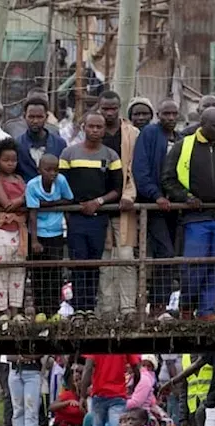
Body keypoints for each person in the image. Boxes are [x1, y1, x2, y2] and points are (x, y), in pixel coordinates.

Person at [161, 107, 215, 319]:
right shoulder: (182, 146)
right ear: (203, 125)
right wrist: (185, 197)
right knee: (193, 265)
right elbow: (168, 178)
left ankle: (207, 309)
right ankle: (187, 306)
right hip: (196, 217)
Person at [59, 112, 122, 316]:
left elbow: (117, 189)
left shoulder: (111, 156)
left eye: (99, 127)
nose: (95, 130)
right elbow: (62, 185)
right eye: (91, 126)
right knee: (78, 261)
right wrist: (74, 208)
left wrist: (99, 202)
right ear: (83, 127)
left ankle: (89, 307)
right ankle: (78, 308)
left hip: (98, 217)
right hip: (76, 217)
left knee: (94, 263)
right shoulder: (68, 154)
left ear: (104, 129)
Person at [134, 99, 182, 317]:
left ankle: (163, 303)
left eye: (174, 114)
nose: (170, 118)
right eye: (166, 114)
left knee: (171, 254)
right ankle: (157, 305)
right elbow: (141, 169)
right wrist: (156, 196)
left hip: (176, 205)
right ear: (158, 115)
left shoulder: (180, 138)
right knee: (165, 252)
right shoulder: (150, 134)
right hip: (154, 205)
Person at [97, 92, 142, 318]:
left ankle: (128, 308)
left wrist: (129, 195)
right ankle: (107, 308)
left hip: (124, 204)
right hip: (99, 206)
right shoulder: (93, 130)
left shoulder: (132, 133)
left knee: (126, 257)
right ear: (99, 108)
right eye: (105, 109)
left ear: (119, 107)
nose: (109, 113)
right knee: (105, 260)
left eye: (113, 108)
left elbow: (135, 168)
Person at [24, 153, 73, 318]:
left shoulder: (62, 181)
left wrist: (48, 204)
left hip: (56, 232)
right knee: (38, 273)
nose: (52, 174)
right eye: (48, 170)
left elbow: (69, 200)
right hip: (38, 233)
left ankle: (54, 310)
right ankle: (40, 311)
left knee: (55, 273)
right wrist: (35, 240)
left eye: (55, 170)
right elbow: (33, 212)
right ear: (39, 170)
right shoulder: (32, 185)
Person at [0, 138, 28, 320]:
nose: (11, 163)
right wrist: (23, 199)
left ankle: (15, 309)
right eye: (6, 160)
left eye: (13, 160)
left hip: (19, 230)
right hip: (2, 230)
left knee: (18, 270)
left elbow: (30, 197)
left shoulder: (20, 179)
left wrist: (21, 200)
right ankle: (1, 309)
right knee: (0, 270)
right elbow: (6, 204)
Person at [15, 98, 67, 182]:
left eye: (39, 117)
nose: (35, 121)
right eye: (31, 117)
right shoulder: (17, 144)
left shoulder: (60, 144)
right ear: (24, 117)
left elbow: (64, 174)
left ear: (46, 117)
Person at [8, 354, 42, 426]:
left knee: (31, 409)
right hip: (16, 371)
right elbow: (8, 356)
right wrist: (26, 357)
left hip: (33, 372)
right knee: (18, 409)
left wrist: (22, 357)